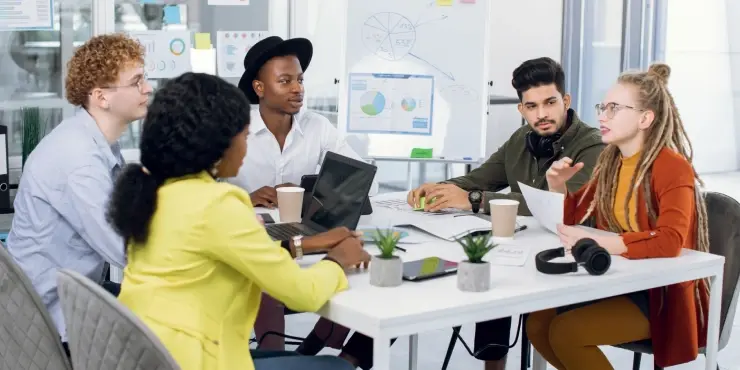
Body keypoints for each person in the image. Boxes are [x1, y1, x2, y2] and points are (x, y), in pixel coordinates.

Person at [339, 57, 605, 370]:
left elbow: (560, 203)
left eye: (549, 103)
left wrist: (474, 199)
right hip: (515, 246)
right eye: (531, 106)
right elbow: (478, 179)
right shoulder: (521, 140)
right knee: (430, 274)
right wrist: (440, 188)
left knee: (496, 276)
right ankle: (350, 359)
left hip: (562, 255)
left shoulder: (592, 145)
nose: (542, 114)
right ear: (521, 109)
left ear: (566, 101)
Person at [109, 72, 370, 370]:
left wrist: (302, 245)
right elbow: (305, 294)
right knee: (339, 368)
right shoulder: (218, 204)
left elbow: (226, 255)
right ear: (219, 144)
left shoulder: (157, 192)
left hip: (152, 355)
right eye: (245, 137)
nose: (246, 149)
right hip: (200, 360)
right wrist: (338, 260)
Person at [526, 63, 710, 370]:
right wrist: (558, 185)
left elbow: (670, 241)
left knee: (567, 333)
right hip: (618, 280)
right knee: (537, 323)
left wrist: (606, 242)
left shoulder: (672, 166)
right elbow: (576, 217)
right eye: (602, 107)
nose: (601, 116)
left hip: (658, 296)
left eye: (614, 108)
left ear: (645, 118)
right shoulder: (611, 161)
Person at [5, 33, 151, 353]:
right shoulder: (79, 159)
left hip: (70, 297)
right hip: (48, 320)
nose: (148, 88)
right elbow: (124, 250)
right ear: (102, 97)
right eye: (137, 81)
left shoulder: (95, 143)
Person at [230, 35, 377, 208]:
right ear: (259, 88)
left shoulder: (318, 127)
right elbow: (198, 194)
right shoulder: (233, 130)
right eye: (285, 81)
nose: (298, 88)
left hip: (299, 230)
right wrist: (244, 200)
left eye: (300, 80)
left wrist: (306, 194)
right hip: (245, 228)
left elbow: (368, 184)